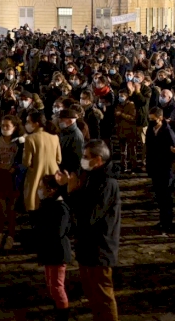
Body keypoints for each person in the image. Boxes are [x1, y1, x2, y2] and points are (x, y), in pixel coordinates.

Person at [56, 140, 121, 321]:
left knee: (103, 296)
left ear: (98, 159)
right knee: (92, 294)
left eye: (86, 157)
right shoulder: (91, 175)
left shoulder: (106, 183)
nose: (82, 161)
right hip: (86, 246)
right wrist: (66, 187)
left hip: (99, 248)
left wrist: (71, 191)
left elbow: (88, 216)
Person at [0, 115, 25, 250]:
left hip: (13, 179)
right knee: (0, 209)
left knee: (11, 209)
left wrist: (16, 167)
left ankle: (11, 235)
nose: (4, 128)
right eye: (2, 125)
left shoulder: (20, 142)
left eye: (7, 126)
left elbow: (24, 160)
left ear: (14, 127)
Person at [36, 175, 72, 321]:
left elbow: (59, 231)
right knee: (51, 285)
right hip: (49, 251)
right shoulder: (47, 204)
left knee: (57, 286)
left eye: (41, 187)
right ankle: (58, 310)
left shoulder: (61, 208)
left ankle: (63, 315)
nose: (39, 190)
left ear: (51, 190)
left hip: (57, 252)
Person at [145, 107, 175, 233]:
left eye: (153, 119)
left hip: (165, 168)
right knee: (159, 196)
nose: (151, 121)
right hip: (155, 167)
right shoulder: (150, 129)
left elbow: (173, 150)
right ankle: (162, 220)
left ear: (160, 118)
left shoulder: (167, 131)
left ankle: (167, 222)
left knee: (166, 197)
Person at [23, 111, 62, 213]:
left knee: (35, 203)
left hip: (35, 174)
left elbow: (26, 162)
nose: (26, 124)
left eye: (28, 121)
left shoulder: (30, 139)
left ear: (36, 123)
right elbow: (59, 159)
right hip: (53, 174)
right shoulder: (55, 137)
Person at [57, 109, 85, 174]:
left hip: (68, 171)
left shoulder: (76, 136)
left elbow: (77, 159)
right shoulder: (64, 131)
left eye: (62, 120)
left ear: (70, 121)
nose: (59, 121)